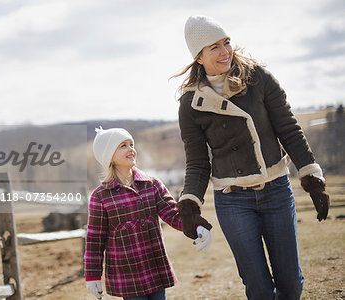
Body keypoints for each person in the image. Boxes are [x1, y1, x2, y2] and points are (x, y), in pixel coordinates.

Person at [174, 15, 330, 300]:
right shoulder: (191, 102)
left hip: (276, 191)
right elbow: (197, 161)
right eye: (214, 48)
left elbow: (288, 129)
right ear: (199, 57)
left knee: (291, 283)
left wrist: (311, 174)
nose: (225, 52)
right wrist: (190, 204)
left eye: (226, 42)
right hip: (232, 199)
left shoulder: (258, 78)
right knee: (258, 287)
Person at [84, 126, 212, 300]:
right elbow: (95, 239)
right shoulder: (101, 196)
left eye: (131, 144)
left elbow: (172, 214)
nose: (131, 149)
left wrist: (196, 225)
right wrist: (92, 275)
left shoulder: (151, 184)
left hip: (154, 266)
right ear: (109, 156)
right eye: (123, 145)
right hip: (126, 273)